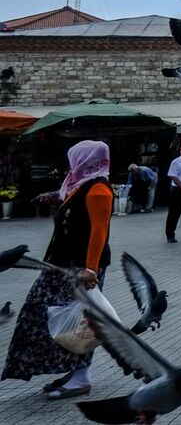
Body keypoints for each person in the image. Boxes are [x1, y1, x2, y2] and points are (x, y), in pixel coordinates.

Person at [2, 140, 113, 400]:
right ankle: (72, 370)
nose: (71, 163)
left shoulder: (98, 189)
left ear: (86, 160)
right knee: (46, 318)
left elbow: (100, 231)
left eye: (75, 157)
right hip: (61, 266)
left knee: (78, 323)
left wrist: (91, 268)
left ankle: (81, 377)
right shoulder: (80, 184)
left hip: (79, 269)